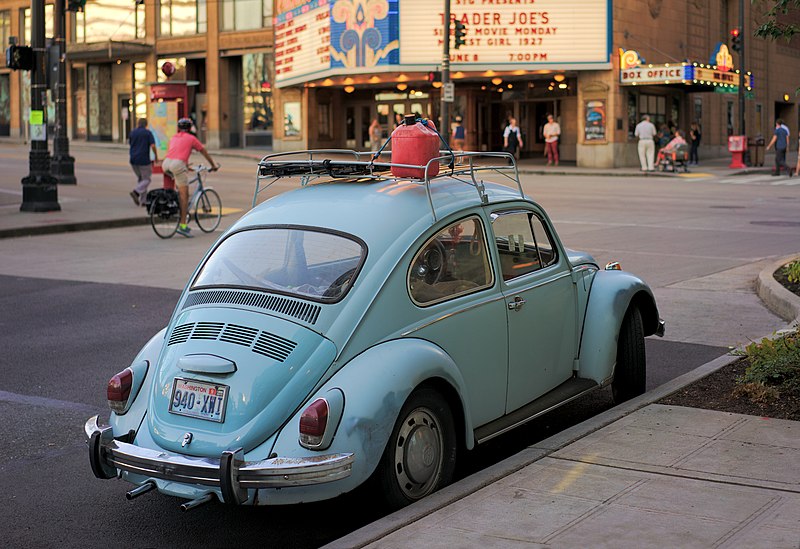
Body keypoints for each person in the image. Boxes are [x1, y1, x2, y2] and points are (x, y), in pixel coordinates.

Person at [161, 118, 219, 238]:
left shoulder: (174, 137)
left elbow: (176, 152)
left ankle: (173, 203)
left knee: (176, 185)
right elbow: (204, 152)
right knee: (184, 196)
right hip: (178, 165)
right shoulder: (192, 138)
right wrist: (213, 165)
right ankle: (182, 225)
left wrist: (186, 166)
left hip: (166, 163)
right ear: (190, 128)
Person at [128, 118, 157, 206]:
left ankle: (143, 201)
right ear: (146, 125)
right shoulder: (148, 133)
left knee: (142, 180)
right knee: (147, 180)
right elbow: (152, 145)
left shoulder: (132, 132)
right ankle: (136, 192)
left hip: (133, 160)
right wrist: (156, 156)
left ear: (138, 124)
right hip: (144, 160)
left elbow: (130, 143)